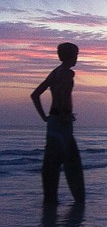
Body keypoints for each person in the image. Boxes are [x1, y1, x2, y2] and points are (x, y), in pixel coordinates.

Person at [30, 42, 85, 205]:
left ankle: (50, 207)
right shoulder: (68, 73)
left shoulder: (55, 72)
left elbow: (35, 95)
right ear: (71, 55)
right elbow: (61, 93)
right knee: (72, 164)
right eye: (76, 54)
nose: (77, 58)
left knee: (52, 164)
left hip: (53, 123)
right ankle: (76, 204)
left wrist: (45, 118)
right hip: (62, 123)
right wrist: (63, 115)